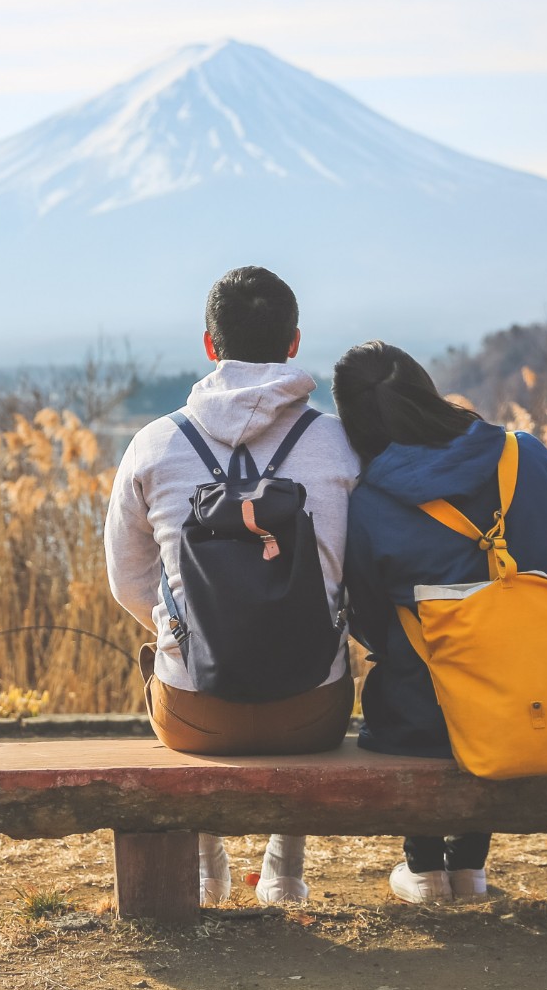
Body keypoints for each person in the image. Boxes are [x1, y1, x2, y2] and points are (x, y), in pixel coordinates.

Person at [335, 340, 547, 903]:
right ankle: (470, 865)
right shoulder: (528, 454)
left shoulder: (370, 501)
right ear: (426, 390)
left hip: (428, 717)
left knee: (417, 664)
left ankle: (425, 867)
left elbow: (371, 623)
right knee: (510, 658)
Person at [105, 266, 360, 905]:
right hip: (313, 714)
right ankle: (283, 871)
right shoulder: (340, 444)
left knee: (166, 656)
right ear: (294, 342)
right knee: (319, 649)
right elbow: (360, 569)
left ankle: (206, 866)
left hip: (195, 718)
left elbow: (128, 581)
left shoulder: (153, 444)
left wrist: (191, 632)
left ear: (209, 345)